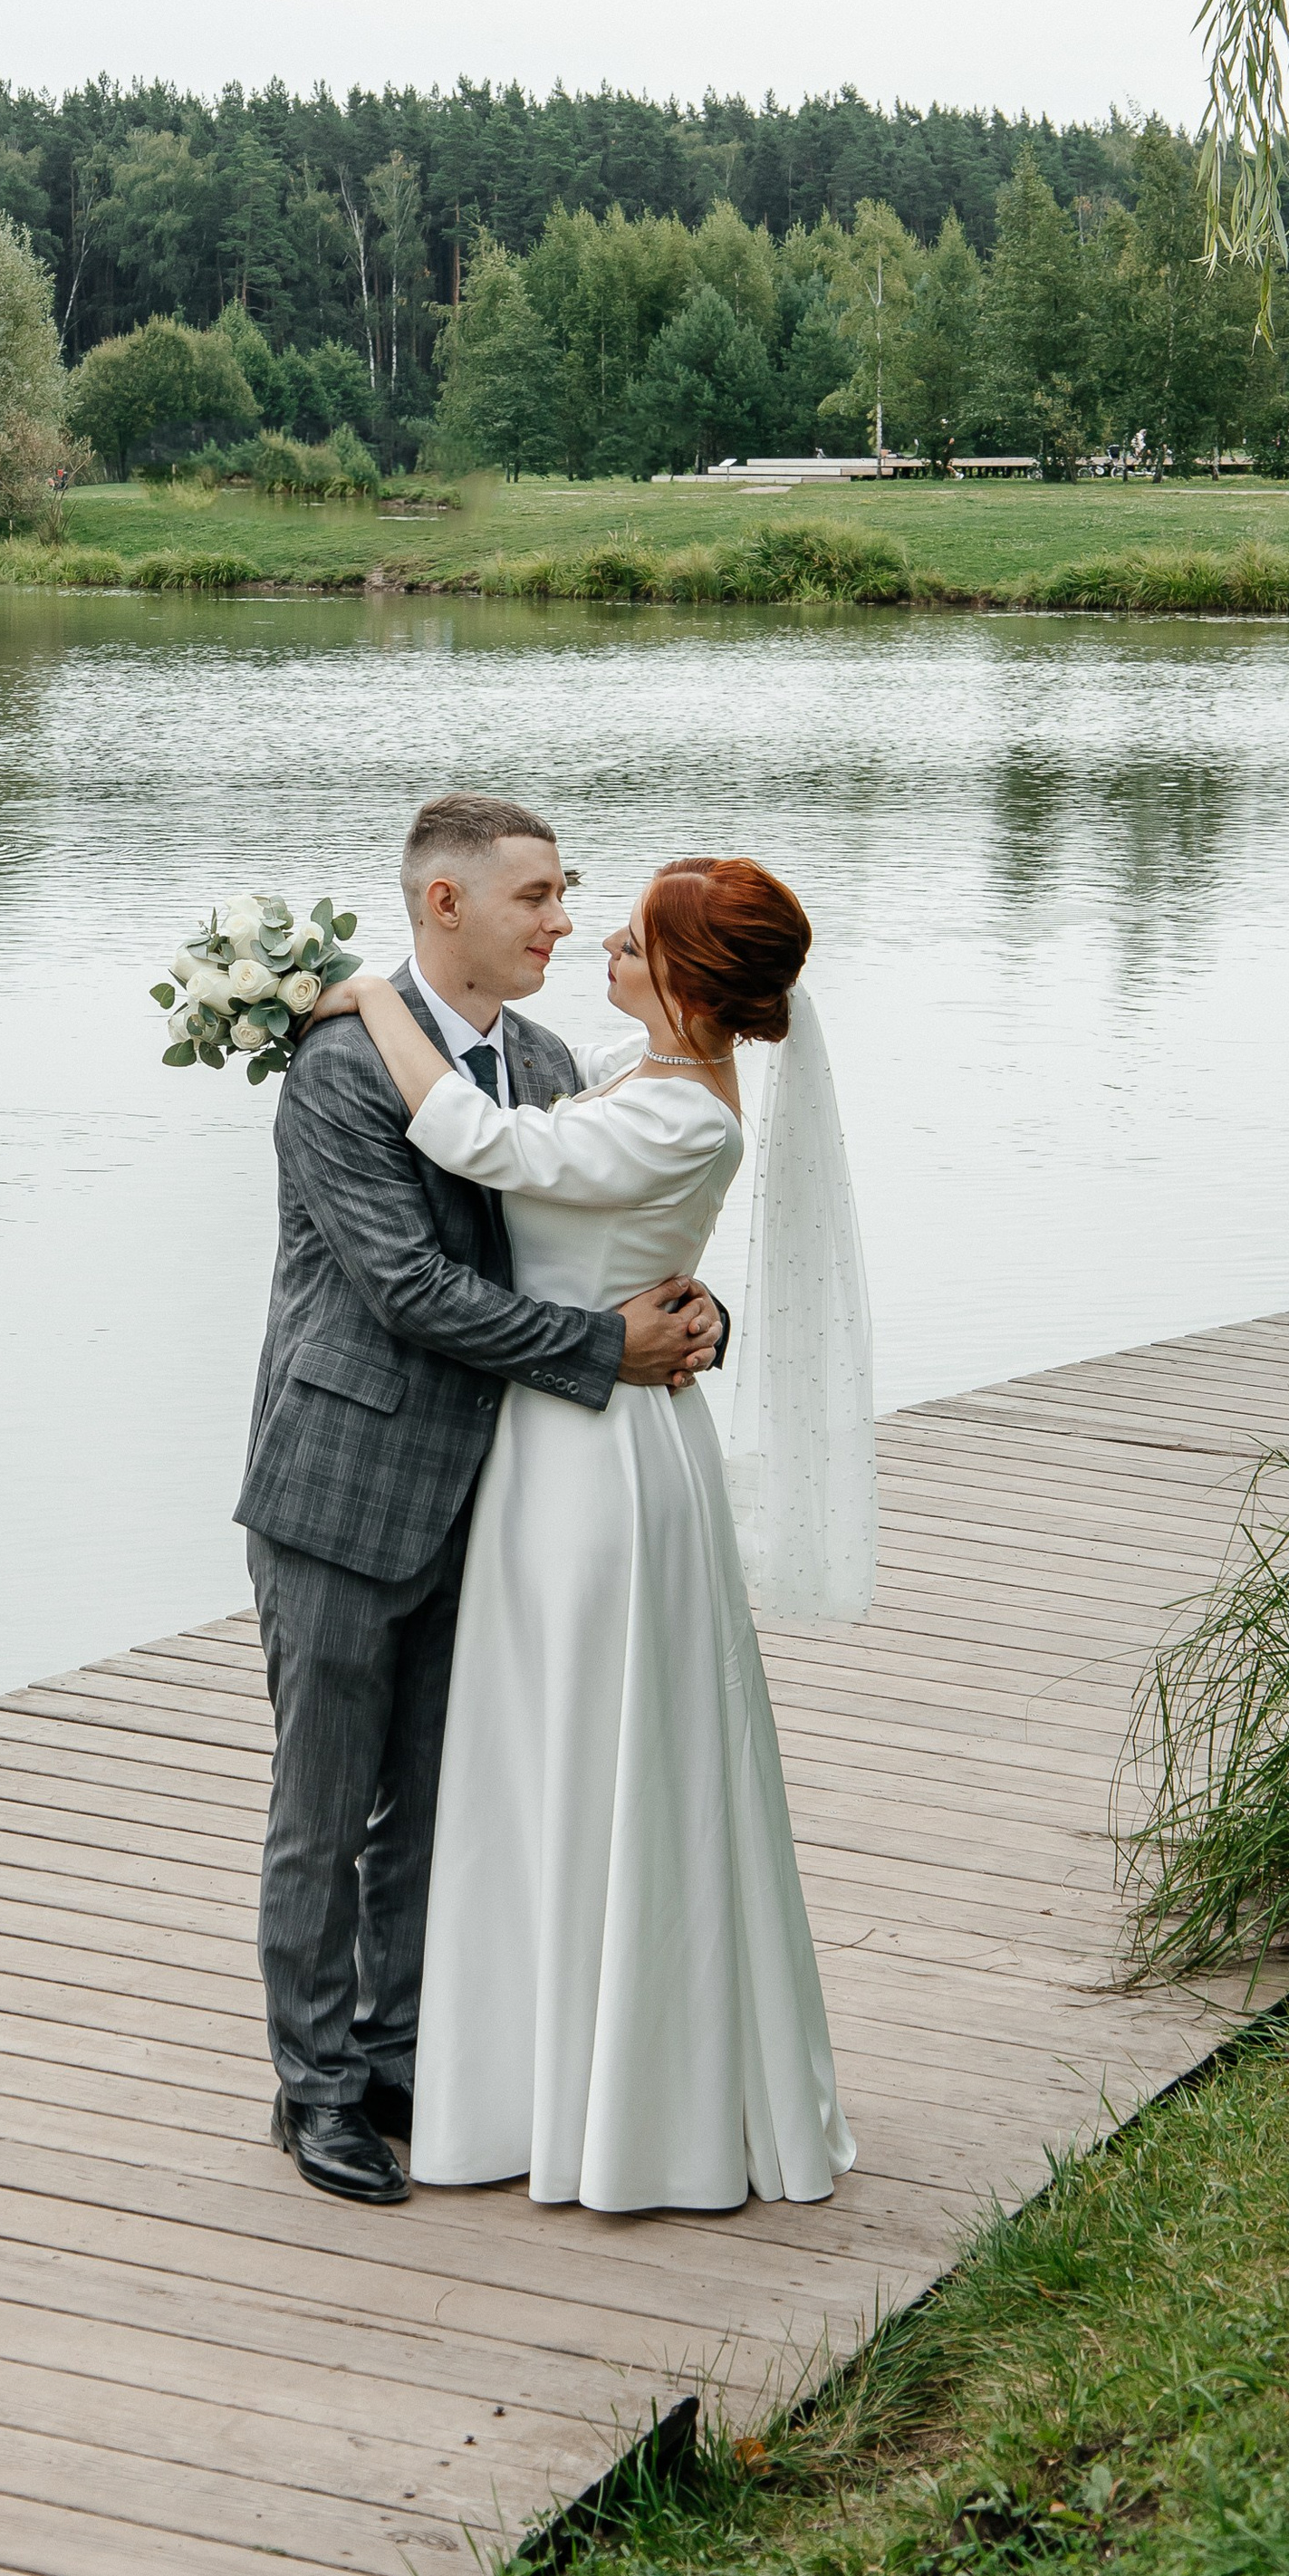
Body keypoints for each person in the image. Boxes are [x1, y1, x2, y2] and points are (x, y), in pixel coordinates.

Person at [320, 854, 859, 2212]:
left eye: (631, 936)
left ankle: (620, 2107)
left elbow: (488, 1146)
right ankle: (533, 2072)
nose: (602, 943)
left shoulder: (685, 1116)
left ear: (688, 977)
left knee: (591, 1750)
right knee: (541, 1753)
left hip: (600, 1464)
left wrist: (365, 1002)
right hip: (565, 1434)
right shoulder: (642, 1070)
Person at [236, 794, 724, 2207]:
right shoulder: (337, 1067)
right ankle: (313, 2093)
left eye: (568, 894)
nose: (564, 922)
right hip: (344, 1484)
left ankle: (398, 2055)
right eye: (538, 898)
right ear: (445, 907)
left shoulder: (554, 1058)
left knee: (440, 1809)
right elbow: (406, 1287)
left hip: (504, 1495)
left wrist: (684, 1315)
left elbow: (576, 1243)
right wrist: (602, 1351)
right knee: (323, 1815)